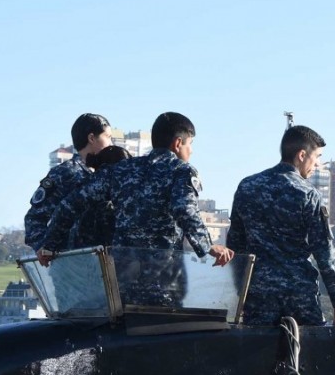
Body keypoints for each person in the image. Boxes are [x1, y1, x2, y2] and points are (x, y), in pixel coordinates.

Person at [38, 112, 233, 306]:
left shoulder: (122, 170)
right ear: (178, 143)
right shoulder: (180, 171)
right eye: (190, 144)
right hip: (163, 280)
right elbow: (184, 209)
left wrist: (50, 245)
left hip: (122, 281)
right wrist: (208, 246)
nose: (190, 151)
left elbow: (71, 204)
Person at [227, 125, 335, 326]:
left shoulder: (247, 186)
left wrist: (239, 292)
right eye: (317, 156)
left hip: (259, 293)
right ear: (302, 155)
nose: (317, 164)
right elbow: (324, 251)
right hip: (299, 293)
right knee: (311, 353)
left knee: (257, 353)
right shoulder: (307, 193)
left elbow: (235, 246)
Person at [24, 113, 113, 252]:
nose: (111, 144)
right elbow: (34, 219)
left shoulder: (109, 173)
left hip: (105, 265)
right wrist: (46, 249)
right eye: (108, 137)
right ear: (91, 138)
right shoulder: (65, 174)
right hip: (71, 265)